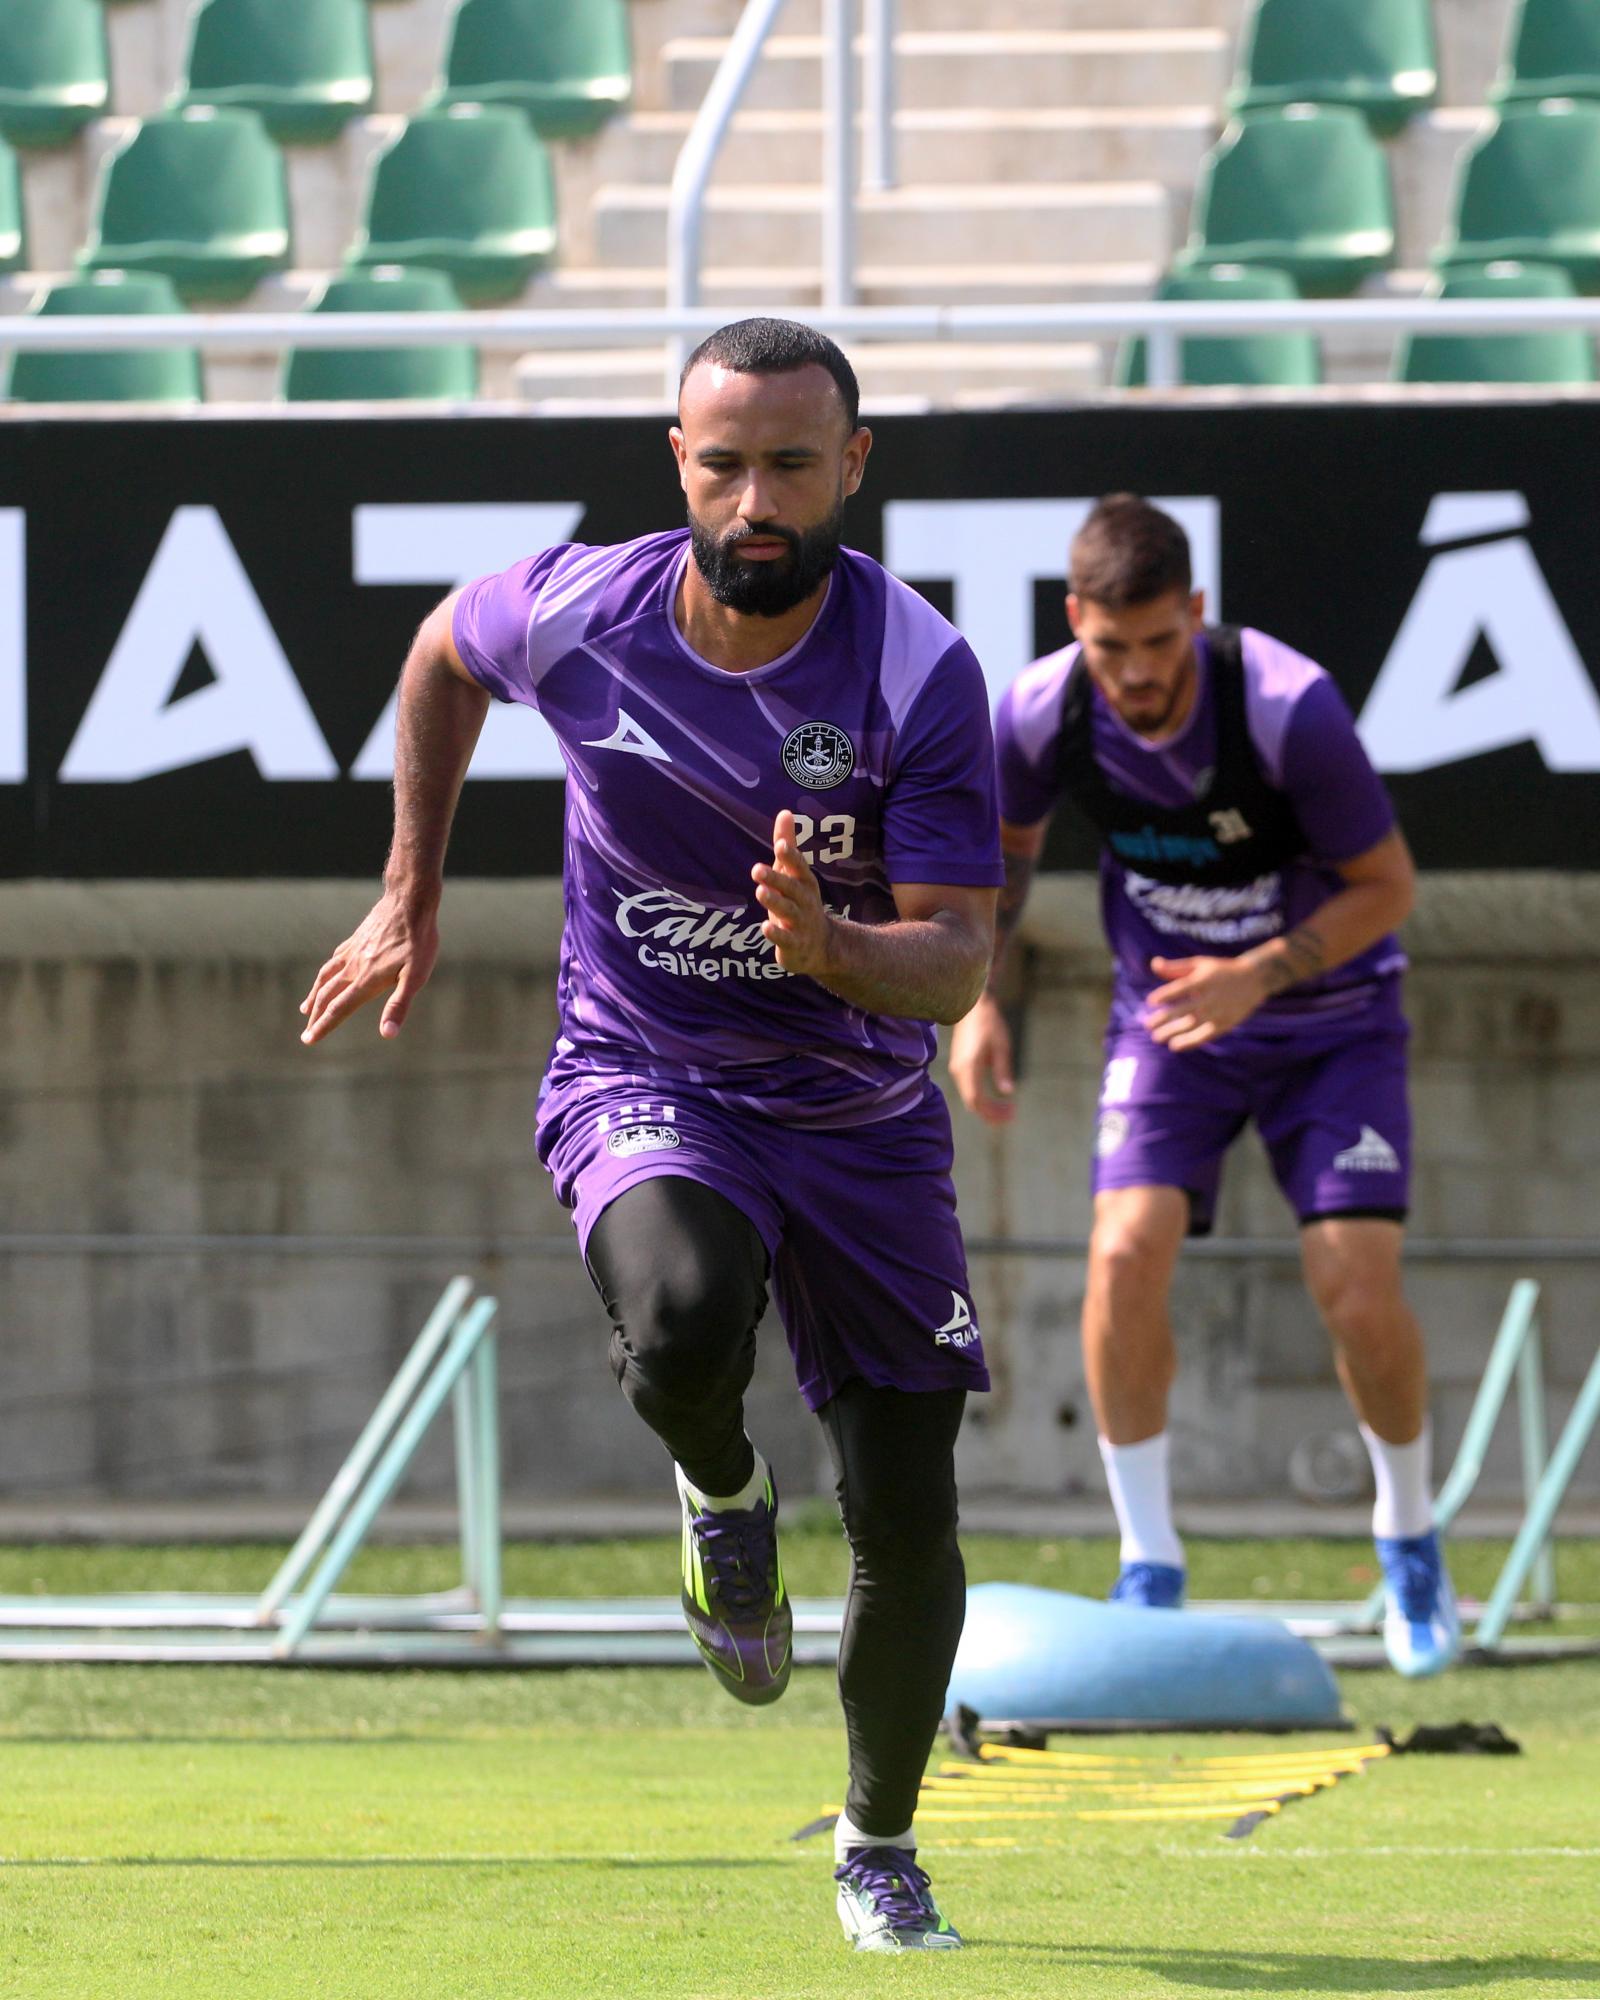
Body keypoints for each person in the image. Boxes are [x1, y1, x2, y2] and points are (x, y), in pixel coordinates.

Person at [299, 318, 1002, 1949]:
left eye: (793, 466)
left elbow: (959, 960)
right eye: (724, 462)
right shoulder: (580, 611)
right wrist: (409, 890)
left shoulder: (918, 675)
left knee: (908, 1507)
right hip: (649, 1071)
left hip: (860, 1119)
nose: (757, 499)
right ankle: (722, 1493)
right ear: (676, 461)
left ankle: (879, 1845)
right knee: (682, 1322)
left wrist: (841, 953)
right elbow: (438, 657)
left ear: (854, 469)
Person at [948, 494, 1460, 1679]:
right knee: (1122, 1253)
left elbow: (1387, 886)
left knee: (1353, 1280)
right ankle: (1149, 1559)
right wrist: (978, 1001)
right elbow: (994, 878)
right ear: (1075, 619)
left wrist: (1258, 974)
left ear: (1195, 612)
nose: (1133, 674)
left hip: (1331, 1020)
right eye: (1108, 645)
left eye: (1156, 644)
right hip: (1172, 1022)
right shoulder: (1037, 710)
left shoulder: (1286, 705)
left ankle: (1407, 1534)